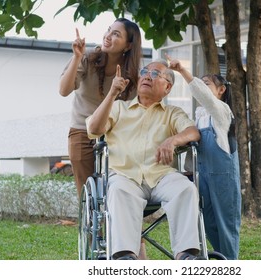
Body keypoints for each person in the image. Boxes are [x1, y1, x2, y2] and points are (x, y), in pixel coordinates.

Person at [86, 60, 202, 260]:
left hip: (161, 177)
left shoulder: (172, 113)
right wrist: (112, 94)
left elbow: (193, 132)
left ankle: (186, 255)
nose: (148, 76)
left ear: (167, 87)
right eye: (144, 72)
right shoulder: (119, 108)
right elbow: (94, 130)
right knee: (119, 191)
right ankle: (125, 256)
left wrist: (173, 140)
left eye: (156, 74)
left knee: (186, 188)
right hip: (124, 176)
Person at [167, 56, 242, 260]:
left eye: (206, 83)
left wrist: (183, 70)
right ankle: (217, 259)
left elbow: (205, 97)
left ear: (221, 90)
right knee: (208, 223)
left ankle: (230, 262)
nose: (201, 86)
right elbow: (193, 147)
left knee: (225, 224)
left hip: (222, 178)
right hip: (203, 178)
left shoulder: (222, 112)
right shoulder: (199, 117)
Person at [59, 18, 142, 198]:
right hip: (81, 131)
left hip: (114, 136)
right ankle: (90, 225)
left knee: (115, 189)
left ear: (128, 46)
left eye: (116, 34)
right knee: (87, 194)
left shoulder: (132, 75)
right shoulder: (87, 58)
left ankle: (115, 223)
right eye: (109, 30)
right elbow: (64, 90)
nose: (108, 36)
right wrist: (77, 57)